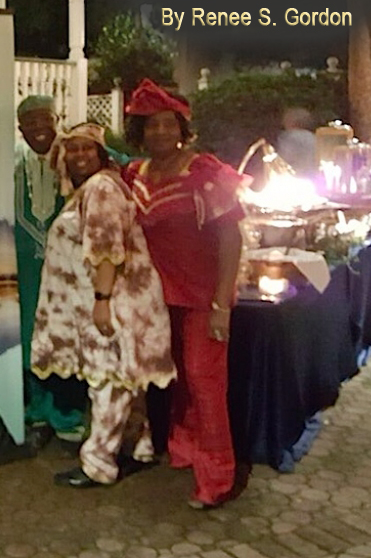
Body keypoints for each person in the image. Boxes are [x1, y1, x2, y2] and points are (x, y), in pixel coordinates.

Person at [122, 78, 248, 509]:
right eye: (151, 125)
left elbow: (231, 238)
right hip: (156, 300)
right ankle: (184, 447)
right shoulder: (132, 174)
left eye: (167, 125)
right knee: (178, 380)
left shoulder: (204, 173)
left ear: (181, 129)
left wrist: (221, 304)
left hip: (201, 297)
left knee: (205, 380)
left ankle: (218, 476)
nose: (159, 132)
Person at [31, 123, 176, 488]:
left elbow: (107, 248)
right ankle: (138, 446)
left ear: (101, 154)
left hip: (113, 300)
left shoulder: (101, 189)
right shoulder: (97, 188)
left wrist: (102, 301)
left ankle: (98, 462)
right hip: (117, 299)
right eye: (73, 149)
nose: (80, 156)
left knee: (107, 378)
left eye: (87, 149)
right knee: (126, 377)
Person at [14, 95, 88, 440]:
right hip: (25, 266)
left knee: (64, 331)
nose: (39, 128)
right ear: (20, 128)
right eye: (30, 122)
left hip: (67, 266)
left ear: (57, 119)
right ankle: (35, 408)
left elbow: (112, 163)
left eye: (45, 120)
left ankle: (66, 412)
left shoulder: (73, 157)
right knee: (30, 332)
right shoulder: (12, 162)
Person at [276, 107, 318, 177]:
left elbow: (283, 158)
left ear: (291, 121)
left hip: (294, 176)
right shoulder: (314, 137)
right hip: (313, 176)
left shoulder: (288, 137)